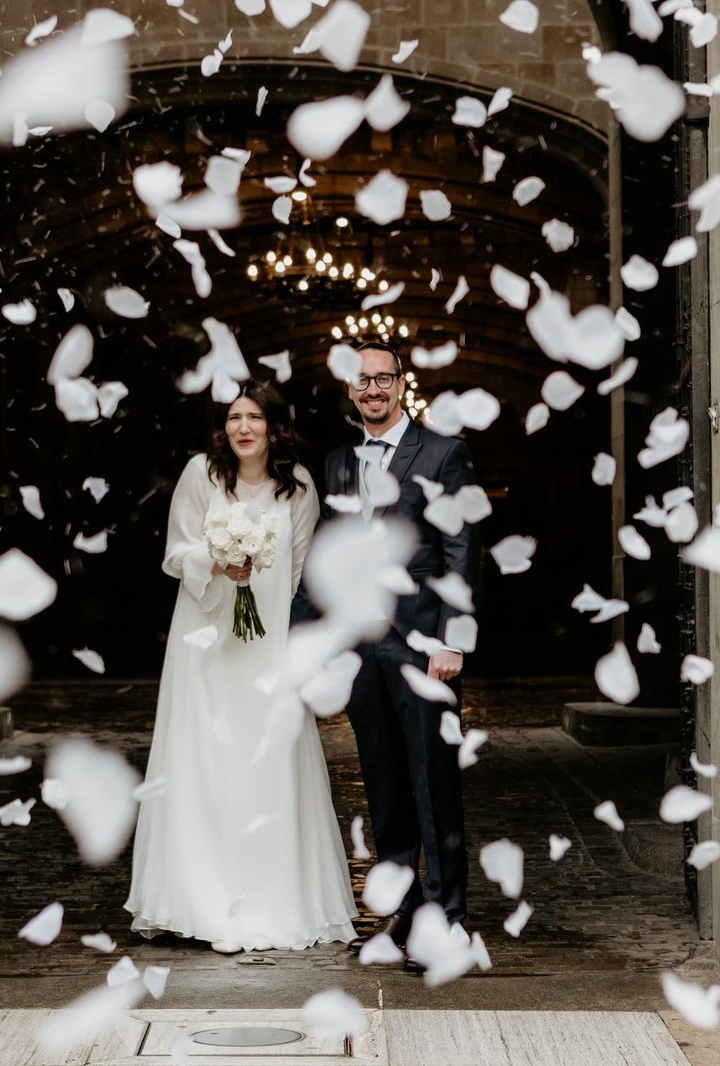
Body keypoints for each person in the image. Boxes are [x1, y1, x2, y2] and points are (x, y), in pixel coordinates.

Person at [124, 380, 357, 953]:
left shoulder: (298, 485)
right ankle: (201, 901)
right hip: (205, 641)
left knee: (264, 762)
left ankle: (271, 900)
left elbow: (303, 571)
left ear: (276, 426)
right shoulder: (201, 473)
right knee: (205, 762)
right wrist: (220, 557)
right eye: (234, 417)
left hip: (267, 644)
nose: (243, 427)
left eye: (255, 417)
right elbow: (175, 554)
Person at [315, 339, 480, 960]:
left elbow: (461, 549)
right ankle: (405, 915)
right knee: (384, 789)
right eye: (362, 381)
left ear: (401, 383)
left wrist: (452, 640)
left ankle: (449, 917)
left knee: (434, 783)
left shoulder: (444, 454)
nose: (373, 390)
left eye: (383, 379)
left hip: (424, 647)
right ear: (350, 390)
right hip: (361, 654)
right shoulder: (336, 463)